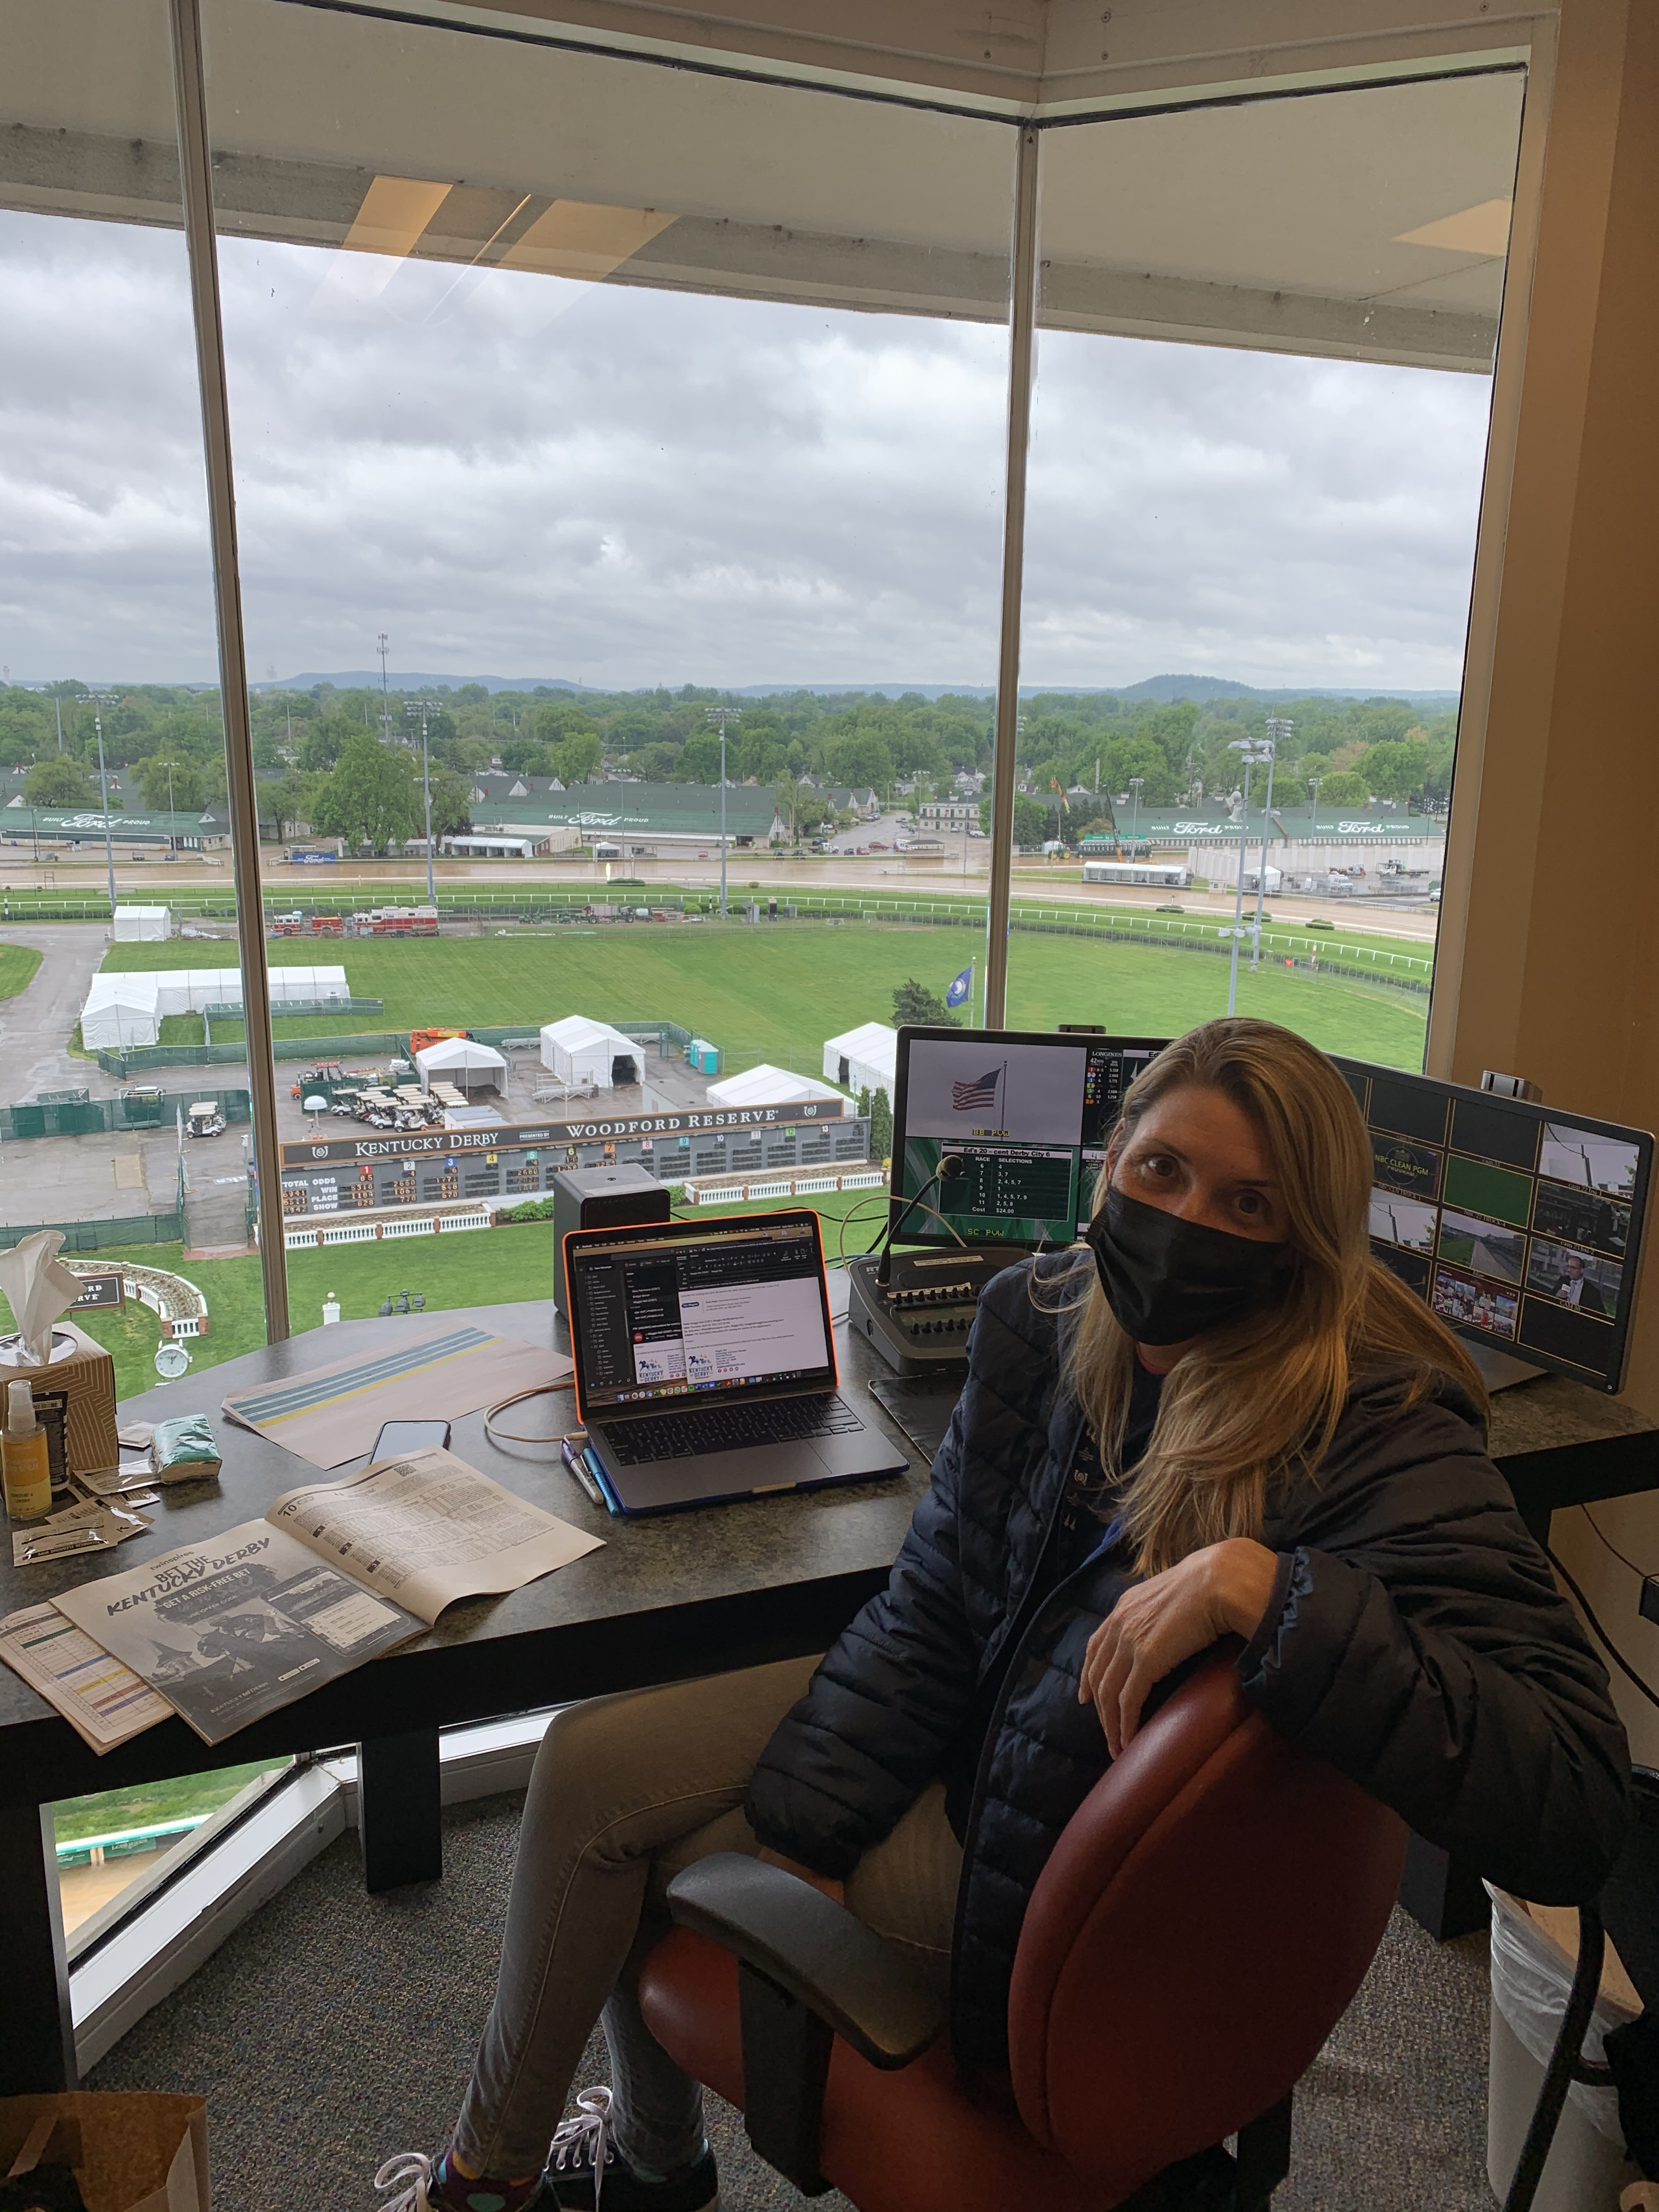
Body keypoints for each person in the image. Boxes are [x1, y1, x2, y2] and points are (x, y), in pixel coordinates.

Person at [374, 1018, 1629, 2212]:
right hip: (991, 1703)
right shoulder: (1042, 1318)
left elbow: (1573, 1801)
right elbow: (942, 1596)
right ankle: (508, 2176)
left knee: (656, 1873)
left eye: (1247, 1204)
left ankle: (638, 2167)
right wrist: (810, 1826)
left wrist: (1274, 1592)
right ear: (1107, 1170)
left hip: (1048, 1845)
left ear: (1309, 1238)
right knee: (592, 1761)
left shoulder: (1373, 1425)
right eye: (1162, 1170)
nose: (1186, 1221)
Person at [1553, 1249, 1607, 1315]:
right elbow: (1549, 1300)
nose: (1569, 1270)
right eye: (1569, 1267)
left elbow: (1601, 1315)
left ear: (1582, 1270)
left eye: (1573, 1268)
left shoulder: (1592, 1292)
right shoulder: (1563, 1280)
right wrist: (1556, 1296)